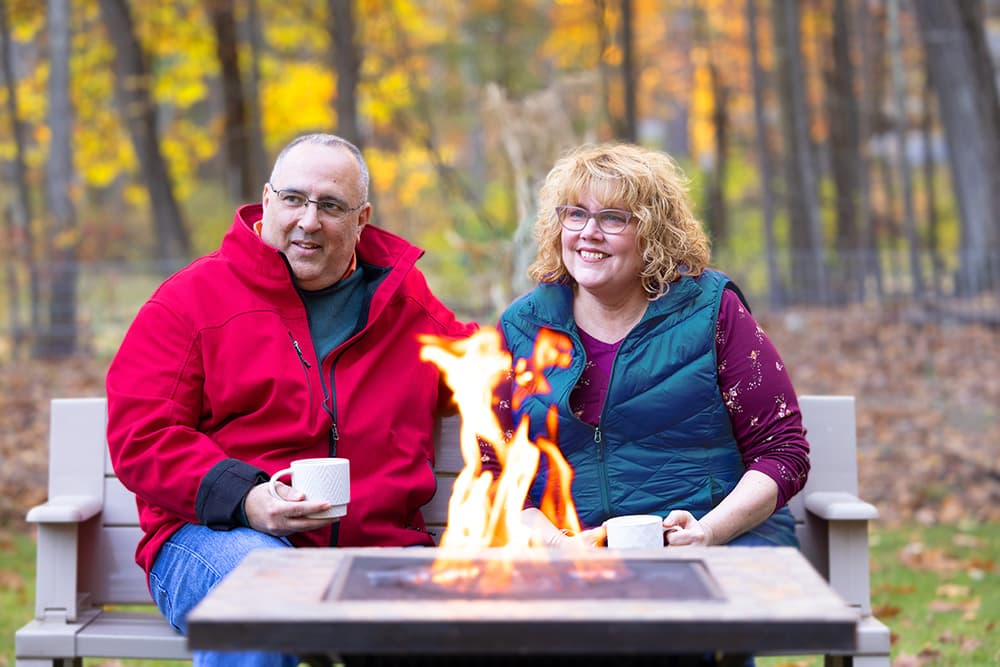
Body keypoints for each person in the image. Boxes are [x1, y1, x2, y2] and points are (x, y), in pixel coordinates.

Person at [105, 133, 476, 667]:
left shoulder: (403, 302)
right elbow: (143, 436)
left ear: (361, 218)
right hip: (221, 539)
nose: (308, 220)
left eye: (330, 205)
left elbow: (488, 370)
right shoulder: (188, 302)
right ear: (267, 199)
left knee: (456, 637)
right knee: (263, 600)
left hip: (377, 553)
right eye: (294, 199)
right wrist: (245, 499)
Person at [498, 142, 810, 553]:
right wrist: (558, 545)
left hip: (723, 548)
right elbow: (495, 471)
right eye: (576, 214)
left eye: (612, 218)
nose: (589, 232)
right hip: (579, 561)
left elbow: (782, 449)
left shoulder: (713, 311)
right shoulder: (523, 327)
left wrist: (708, 531)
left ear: (653, 233)